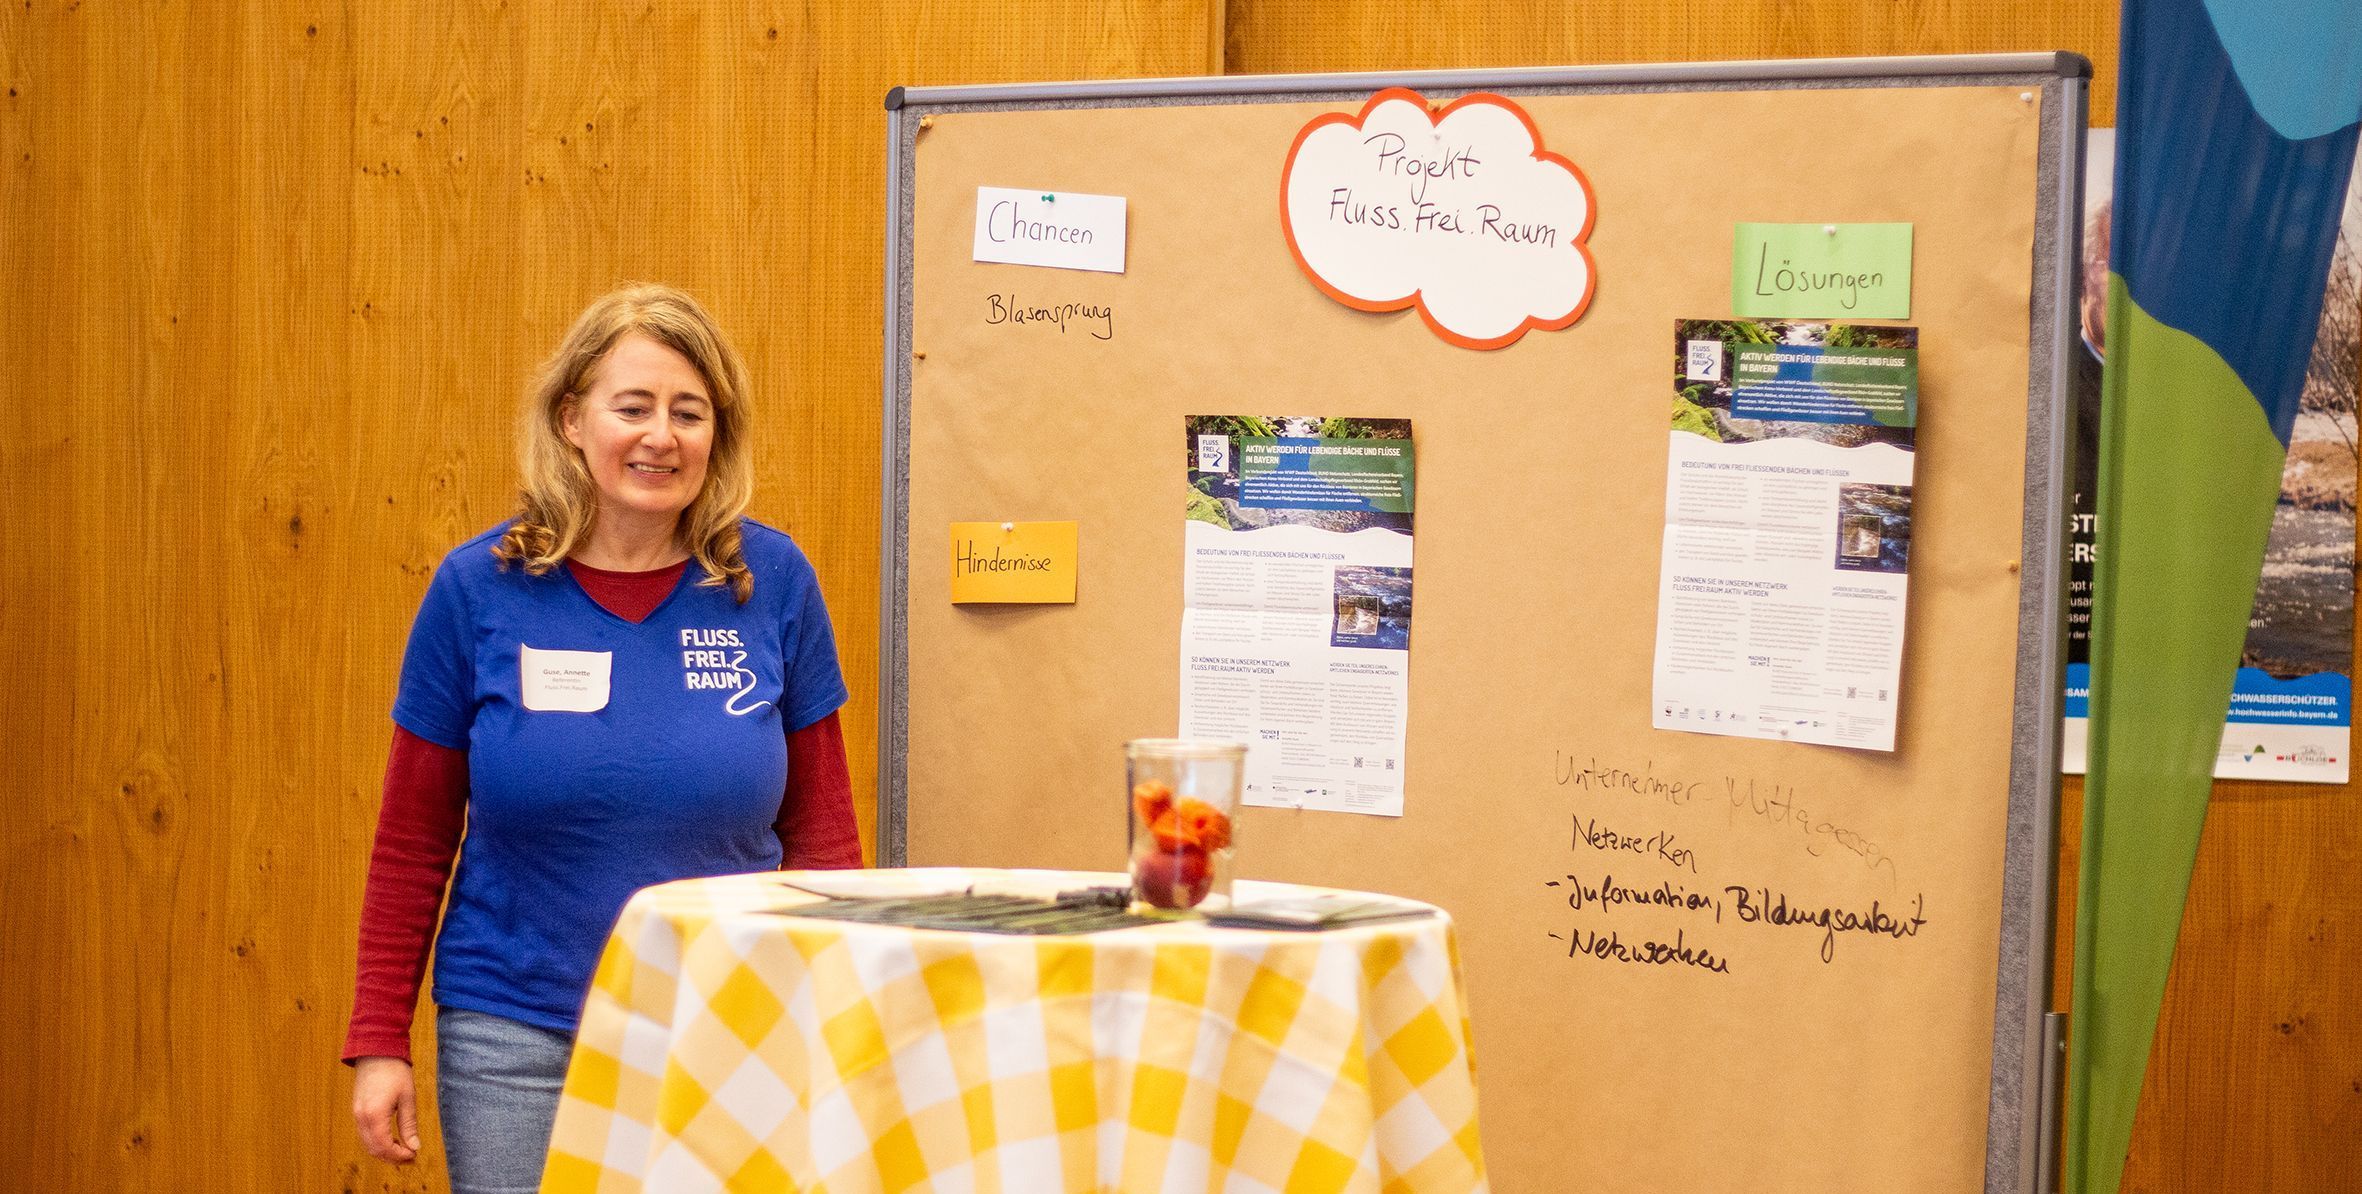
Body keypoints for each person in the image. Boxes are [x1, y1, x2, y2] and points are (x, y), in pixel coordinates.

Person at [341, 284, 862, 1193]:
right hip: (518, 1038)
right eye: (633, 407)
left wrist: (846, 1011)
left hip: (734, 1028)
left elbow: (824, 833)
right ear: (572, 419)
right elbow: (413, 840)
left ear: (717, 436)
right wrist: (380, 1037)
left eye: (689, 413)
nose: (662, 436)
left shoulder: (773, 582)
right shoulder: (478, 589)